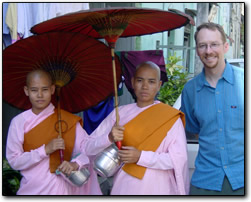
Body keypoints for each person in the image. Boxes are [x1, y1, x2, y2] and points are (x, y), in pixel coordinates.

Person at [84, 61, 189, 195]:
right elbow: (87, 147)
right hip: (125, 186)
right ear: (133, 82)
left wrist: (141, 157)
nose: (145, 86)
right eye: (140, 80)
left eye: (151, 82)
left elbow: (178, 159)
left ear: (159, 85)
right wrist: (108, 138)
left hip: (160, 187)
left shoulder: (170, 117)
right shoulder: (119, 114)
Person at [6, 69, 102, 195]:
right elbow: (14, 161)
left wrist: (75, 164)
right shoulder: (18, 122)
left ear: (52, 90)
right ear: (26, 91)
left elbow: (89, 151)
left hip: (62, 190)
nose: (40, 95)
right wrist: (44, 150)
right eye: (34, 90)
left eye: (45, 89)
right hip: (31, 191)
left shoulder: (67, 121)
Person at [181, 22, 244, 195]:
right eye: (203, 45)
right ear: (197, 49)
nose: (208, 51)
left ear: (226, 46)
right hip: (205, 183)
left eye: (214, 44)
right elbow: (194, 130)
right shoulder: (190, 90)